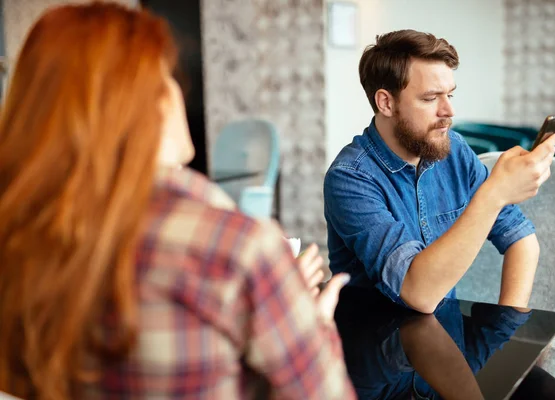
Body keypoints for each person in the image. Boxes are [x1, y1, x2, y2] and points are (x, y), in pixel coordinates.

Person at [0, 3, 355, 399]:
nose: (177, 90)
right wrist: (308, 323)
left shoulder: (17, 234)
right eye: (166, 77)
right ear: (146, 103)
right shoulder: (237, 247)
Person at [323, 29, 555, 399]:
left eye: (450, 94)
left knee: (550, 395)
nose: (449, 111)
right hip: (380, 370)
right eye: (431, 98)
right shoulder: (350, 179)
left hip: (449, 347)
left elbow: (522, 240)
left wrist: (503, 350)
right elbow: (419, 293)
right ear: (386, 102)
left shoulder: (454, 151)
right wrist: (494, 194)